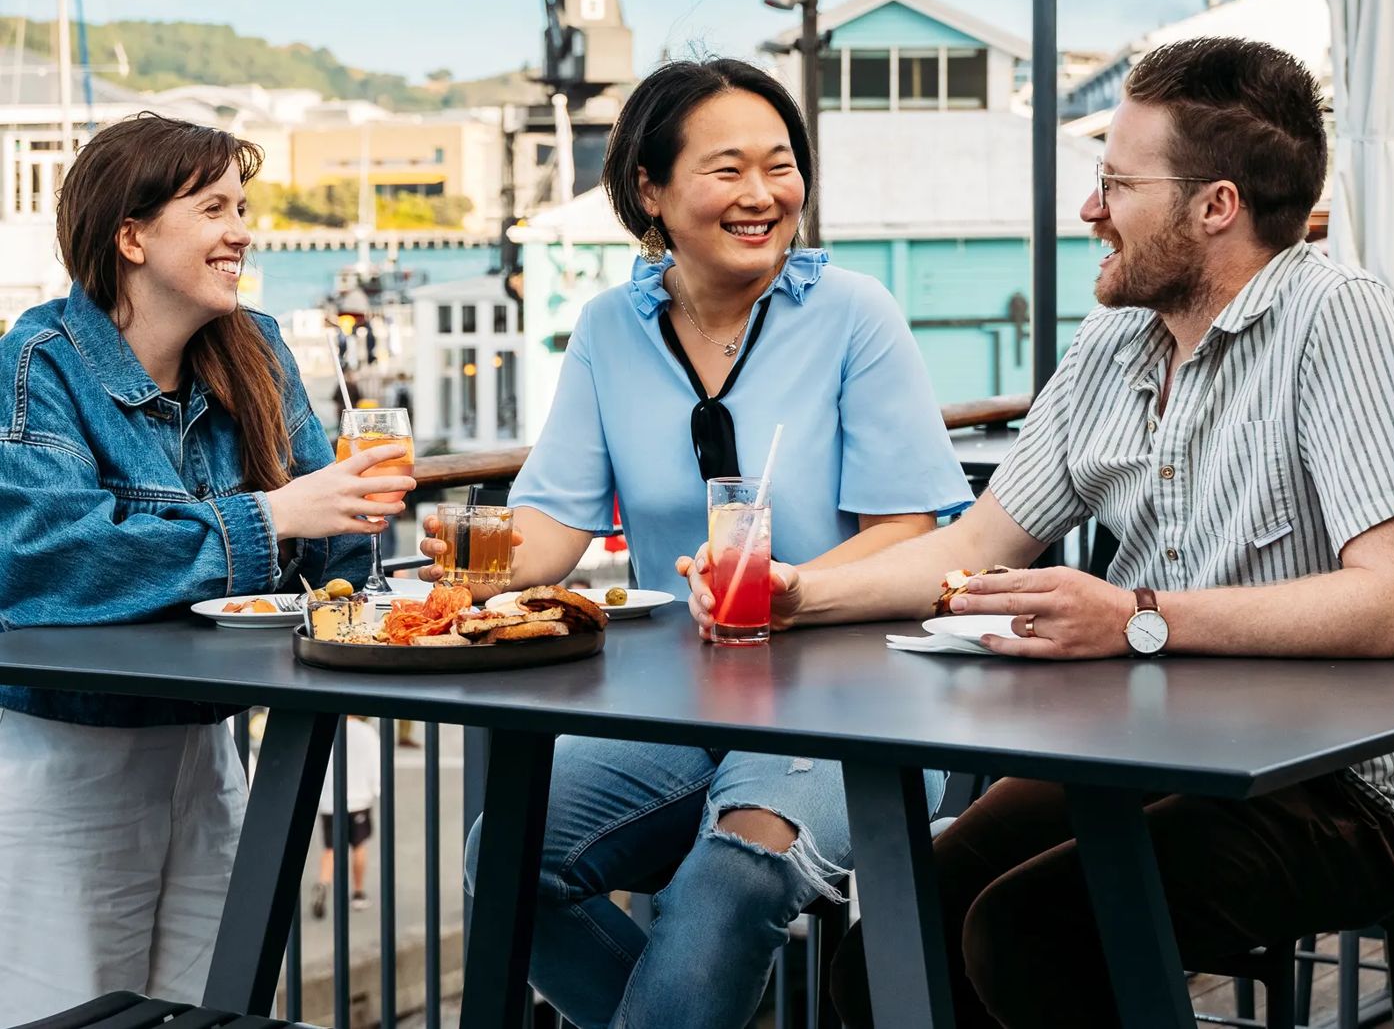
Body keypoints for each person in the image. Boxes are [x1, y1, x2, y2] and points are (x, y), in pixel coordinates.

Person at [682, 37, 1394, 1029]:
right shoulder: (1114, 341)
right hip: (1137, 752)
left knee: (1028, 935)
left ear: (1215, 205)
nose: (1090, 210)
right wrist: (799, 594)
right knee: (889, 951)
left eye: (1116, 186)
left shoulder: (1339, 320)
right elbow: (978, 548)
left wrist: (1136, 618)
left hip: (1334, 790)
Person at [420, 58, 971, 1029]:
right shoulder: (608, 329)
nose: (763, 194)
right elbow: (552, 526)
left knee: (732, 875)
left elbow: (907, 531)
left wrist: (784, 587)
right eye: (727, 169)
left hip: (856, 705)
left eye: (781, 164)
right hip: (680, 703)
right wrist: (461, 568)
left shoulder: (855, 315)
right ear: (651, 189)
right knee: (505, 855)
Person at [0, 114, 415, 1020]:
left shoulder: (255, 348)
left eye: (243, 206)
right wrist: (269, 520)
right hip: (71, 758)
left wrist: (352, 533)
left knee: (211, 1008)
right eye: (215, 208)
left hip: (210, 744)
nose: (243, 231)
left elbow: (334, 555)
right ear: (132, 235)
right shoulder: (37, 365)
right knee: (67, 1011)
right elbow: (44, 563)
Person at [312, 716, 382, 918]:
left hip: (330, 800)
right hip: (358, 799)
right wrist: (375, 789)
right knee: (358, 846)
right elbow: (376, 763)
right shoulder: (367, 732)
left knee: (330, 848)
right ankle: (358, 893)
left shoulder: (327, 727)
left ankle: (323, 883)